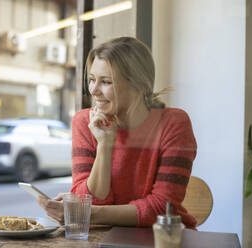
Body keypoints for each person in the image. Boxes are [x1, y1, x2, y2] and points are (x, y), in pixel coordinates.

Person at [38, 36, 197, 229]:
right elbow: (89, 200)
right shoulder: (85, 122)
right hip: (102, 238)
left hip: (160, 239)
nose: (93, 91)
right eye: (91, 80)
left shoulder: (174, 124)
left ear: (138, 85)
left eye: (105, 81)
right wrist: (105, 145)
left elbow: (162, 209)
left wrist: (83, 213)